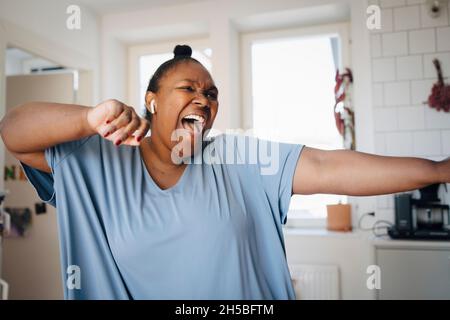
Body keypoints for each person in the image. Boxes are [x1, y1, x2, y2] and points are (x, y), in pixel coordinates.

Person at [0, 45, 448, 300]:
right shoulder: (97, 161)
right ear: (151, 99)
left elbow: (328, 165)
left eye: (211, 93)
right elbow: (14, 131)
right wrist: (87, 117)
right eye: (188, 88)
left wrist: (440, 170)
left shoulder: (234, 158)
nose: (204, 99)